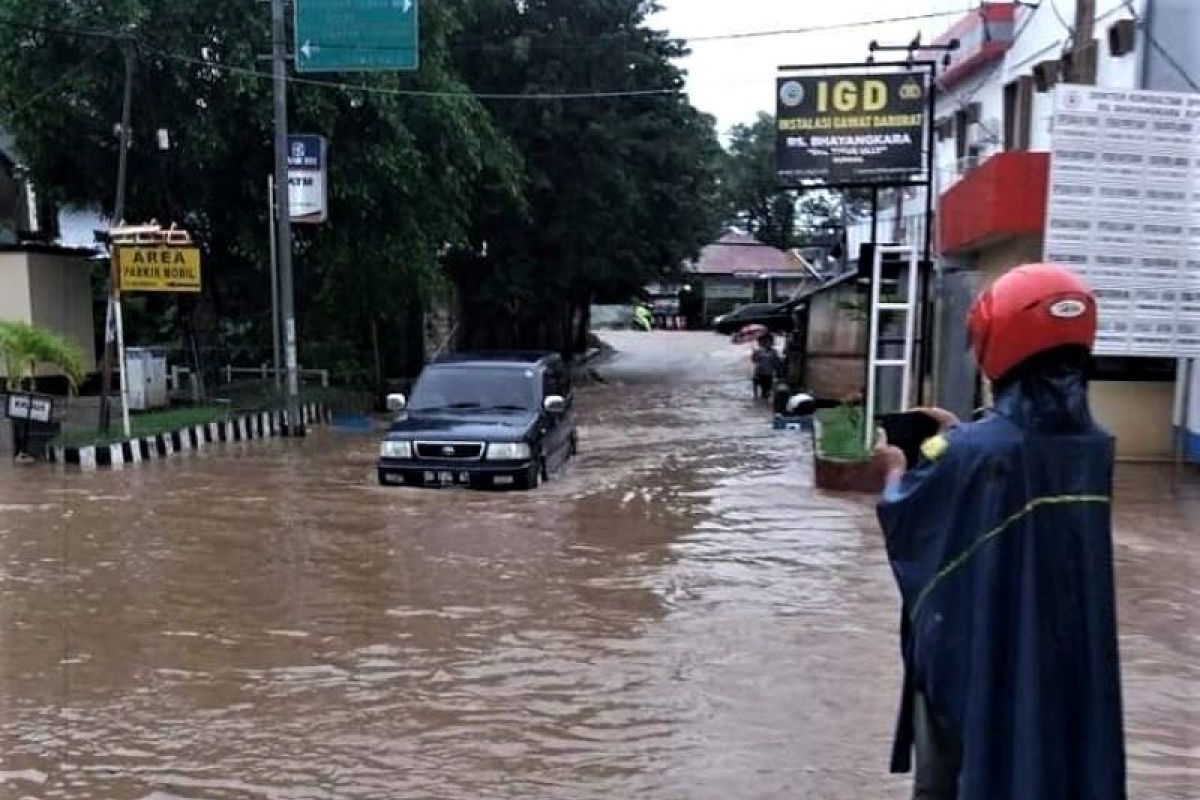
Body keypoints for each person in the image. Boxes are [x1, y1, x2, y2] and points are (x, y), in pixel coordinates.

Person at [875, 264, 1125, 800]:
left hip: (980, 661)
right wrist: (963, 435)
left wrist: (895, 468)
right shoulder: (1094, 449)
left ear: (998, 343)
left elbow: (910, 519)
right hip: (1065, 661)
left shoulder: (967, 453)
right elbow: (1016, 465)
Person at [750, 332, 783, 400]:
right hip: (758, 374)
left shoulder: (774, 352)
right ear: (761, 342)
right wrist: (754, 354)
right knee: (755, 396)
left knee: (766, 394)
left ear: (771, 342)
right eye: (765, 341)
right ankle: (758, 405)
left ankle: (763, 406)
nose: (767, 343)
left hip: (768, 376)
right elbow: (754, 361)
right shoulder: (758, 351)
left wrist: (779, 373)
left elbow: (777, 364)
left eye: (769, 341)